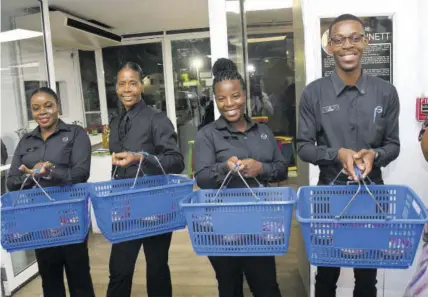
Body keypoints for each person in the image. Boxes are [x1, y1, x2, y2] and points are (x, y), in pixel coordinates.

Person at [297, 14, 400, 297]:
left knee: (367, 278)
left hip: (371, 199)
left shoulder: (386, 93)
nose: (348, 46)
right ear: (329, 47)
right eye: (339, 40)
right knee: (326, 274)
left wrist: (374, 155)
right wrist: (336, 154)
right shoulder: (313, 94)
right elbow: (303, 147)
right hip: (327, 198)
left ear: (365, 42)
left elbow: (394, 145)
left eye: (355, 38)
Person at [194, 58, 287, 297]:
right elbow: (202, 177)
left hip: (261, 224)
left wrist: (260, 169)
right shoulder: (207, 135)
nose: (229, 104)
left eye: (235, 96)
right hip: (222, 226)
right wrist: (225, 168)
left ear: (245, 95)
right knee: (230, 287)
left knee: (266, 287)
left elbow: (281, 168)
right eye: (221, 98)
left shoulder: (263, 131)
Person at [6, 87, 94, 297]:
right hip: (40, 221)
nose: (42, 112)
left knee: (79, 277)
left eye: (48, 106)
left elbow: (81, 174)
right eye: (36, 108)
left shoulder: (75, 134)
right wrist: (32, 175)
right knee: (50, 279)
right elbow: (11, 181)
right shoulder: (26, 141)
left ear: (57, 107)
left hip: (70, 218)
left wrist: (49, 171)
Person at [106, 62, 184, 297]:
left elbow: (176, 161)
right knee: (119, 269)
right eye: (122, 84)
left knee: (157, 269)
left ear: (141, 86)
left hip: (155, 206)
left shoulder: (157, 119)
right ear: (116, 88)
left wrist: (141, 157)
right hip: (125, 207)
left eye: (132, 83)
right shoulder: (116, 122)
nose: (127, 89)